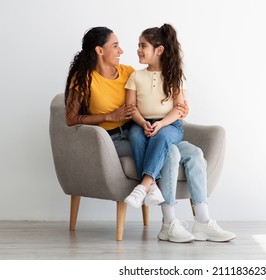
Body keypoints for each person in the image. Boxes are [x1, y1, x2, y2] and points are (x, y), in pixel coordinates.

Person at [64, 26, 236, 243]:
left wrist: (181, 106)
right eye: (115, 46)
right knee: (171, 153)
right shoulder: (84, 79)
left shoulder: (128, 72)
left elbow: (154, 91)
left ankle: (202, 220)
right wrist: (109, 116)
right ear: (99, 50)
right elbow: (71, 119)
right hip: (112, 141)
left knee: (195, 154)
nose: (122, 51)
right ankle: (169, 223)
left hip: (143, 132)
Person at [123, 24, 185, 209]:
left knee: (163, 136)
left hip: (170, 125)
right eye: (139, 45)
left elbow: (179, 109)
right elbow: (131, 107)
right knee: (134, 136)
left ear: (159, 50)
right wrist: (143, 123)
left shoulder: (174, 76)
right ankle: (154, 186)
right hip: (140, 123)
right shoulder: (136, 76)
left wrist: (161, 124)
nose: (138, 50)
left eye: (143, 46)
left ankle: (143, 186)